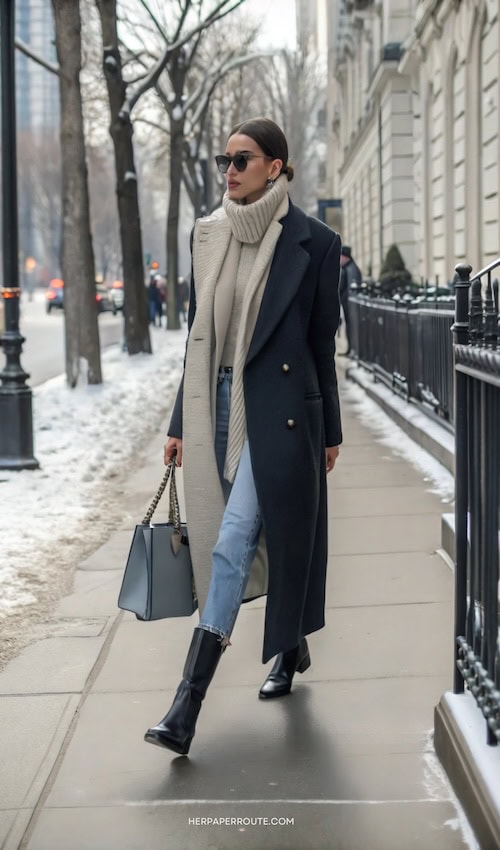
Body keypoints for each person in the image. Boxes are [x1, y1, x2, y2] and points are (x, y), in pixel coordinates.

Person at [144, 117, 343, 756]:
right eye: (224, 160)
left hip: (281, 411)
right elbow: (199, 341)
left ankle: (185, 705)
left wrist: (331, 430)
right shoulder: (211, 235)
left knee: (232, 544)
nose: (228, 171)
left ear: (276, 167)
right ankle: (292, 644)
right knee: (265, 537)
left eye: (242, 159)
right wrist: (180, 422)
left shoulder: (313, 242)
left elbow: (320, 344)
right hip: (217, 404)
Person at [338, 245, 362, 356]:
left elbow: (342, 287)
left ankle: (352, 350)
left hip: (350, 305)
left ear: (346, 257)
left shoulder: (349, 269)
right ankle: (351, 349)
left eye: (341, 257)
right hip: (349, 304)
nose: (339, 259)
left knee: (351, 327)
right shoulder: (351, 268)